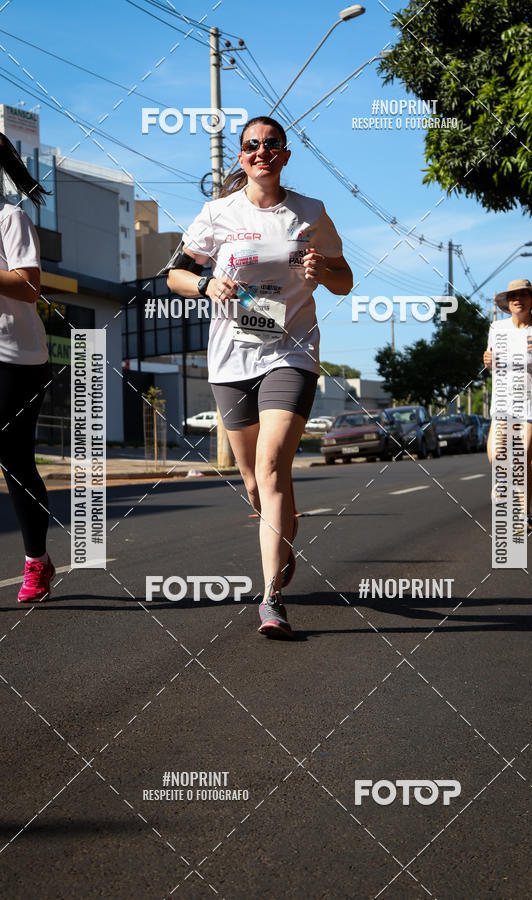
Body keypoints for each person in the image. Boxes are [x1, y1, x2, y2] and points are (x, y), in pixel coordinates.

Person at [167, 116, 352, 638]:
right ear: (242, 156)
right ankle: (283, 533)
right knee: (252, 480)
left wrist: (324, 273)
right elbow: (176, 273)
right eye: (252, 146)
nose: (261, 151)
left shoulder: (311, 213)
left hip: (290, 352)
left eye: (272, 144)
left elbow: (345, 280)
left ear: (285, 154)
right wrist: (206, 286)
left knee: (272, 467)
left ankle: (270, 596)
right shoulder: (217, 213)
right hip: (231, 359)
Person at [0, 132, 54, 601]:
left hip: (16, 359)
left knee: (15, 462)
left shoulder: (10, 217)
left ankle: (36, 560)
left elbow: (29, 285)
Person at [483, 278, 532, 534]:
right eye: (513, 296)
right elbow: (492, 364)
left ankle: (523, 513)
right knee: (496, 457)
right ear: (507, 302)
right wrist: (487, 361)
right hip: (503, 403)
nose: (517, 299)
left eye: (523, 295)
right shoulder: (497, 328)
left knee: (520, 459)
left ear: (531, 301)